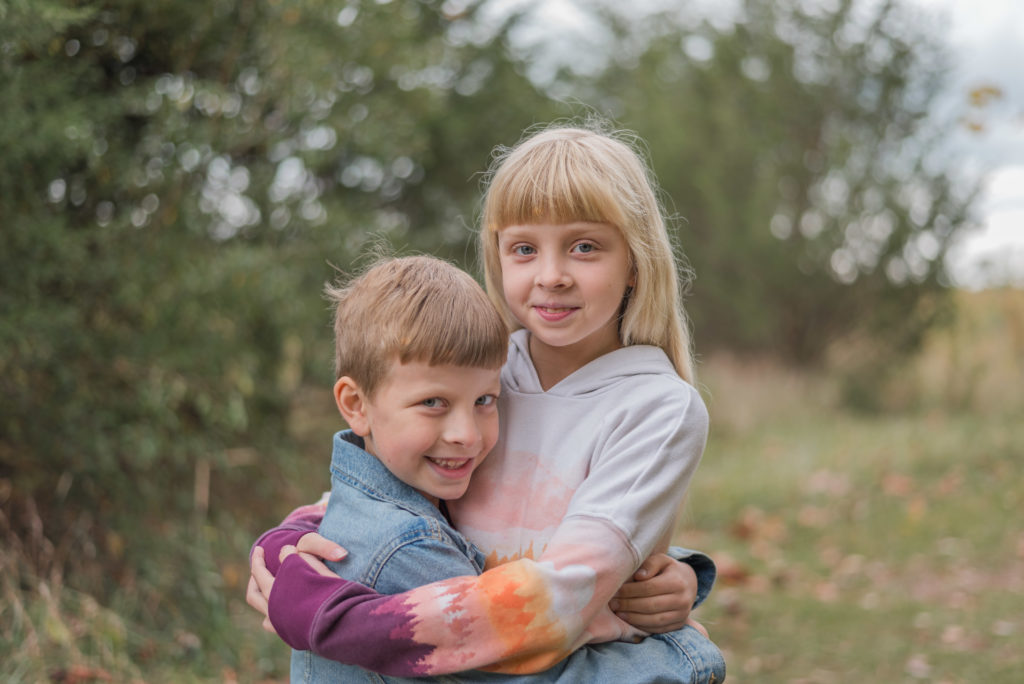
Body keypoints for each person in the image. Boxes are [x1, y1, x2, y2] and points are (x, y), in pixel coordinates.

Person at [248, 122, 726, 681]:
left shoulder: (657, 408)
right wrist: (288, 539)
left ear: (636, 262)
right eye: (524, 248)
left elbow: (565, 597)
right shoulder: (483, 370)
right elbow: (382, 493)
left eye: (585, 247)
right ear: (497, 257)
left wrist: (332, 617)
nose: (551, 276)